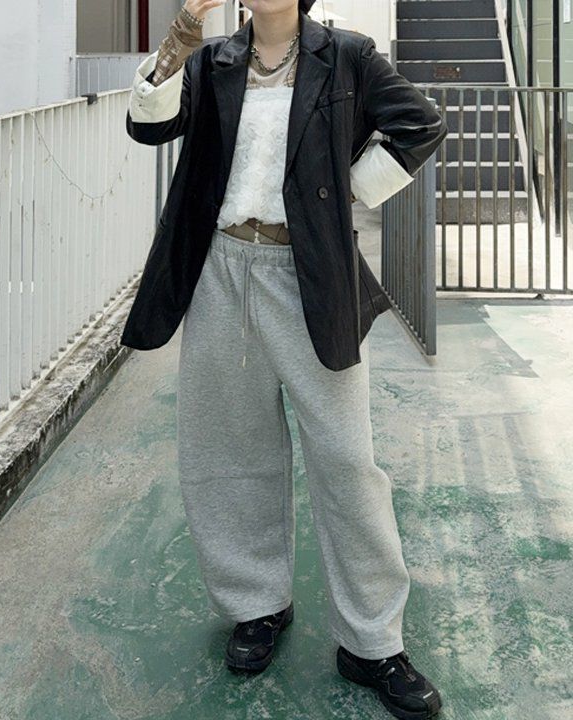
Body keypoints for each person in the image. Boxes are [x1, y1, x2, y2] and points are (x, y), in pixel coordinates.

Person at [124, 2, 447, 718]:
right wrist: (182, 31)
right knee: (228, 448)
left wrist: (349, 188)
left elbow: (421, 125)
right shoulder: (212, 62)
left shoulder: (349, 56)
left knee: (346, 459)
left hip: (311, 275)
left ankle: (372, 641)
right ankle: (256, 605)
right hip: (221, 269)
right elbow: (148, 124)